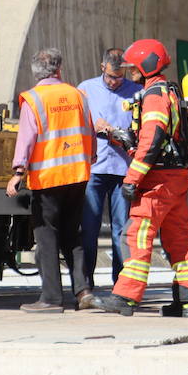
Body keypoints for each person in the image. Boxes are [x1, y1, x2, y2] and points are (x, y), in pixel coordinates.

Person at [91, 39, 188, 317]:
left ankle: (126, 297)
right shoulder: (169, 91)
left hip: (158, 178)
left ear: (147, 65)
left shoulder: (153, 94)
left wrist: (132, 179)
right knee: (178, 237)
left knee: (136, 234)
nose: (131, 72)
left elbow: (152, 139)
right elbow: (159, 138)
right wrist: (125, 140)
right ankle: (187, 300)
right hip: (176, 175)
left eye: (134, 67)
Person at [6, 48, 94, 313]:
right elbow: (89, 130)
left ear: (36, 73)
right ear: (59, 70)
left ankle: (51, 299)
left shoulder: (33, 99)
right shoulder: (78, 95)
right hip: (78, 175)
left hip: (48, 178)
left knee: (46, 237)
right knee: (73, 235)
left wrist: (18, 173)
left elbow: (27, 139)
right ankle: (83, 291)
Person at [77, 47, 141, 293]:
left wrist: (121, 134)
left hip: (124, 169)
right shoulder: (86, 88)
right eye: (110, 77)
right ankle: (86, 284)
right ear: (102, 67)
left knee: (121, 230)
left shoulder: (136, 92)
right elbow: (76, 120)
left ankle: (121, 284)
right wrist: (95, 125)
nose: (115, 82)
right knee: (89, 228)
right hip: (94, 168)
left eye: (119, 77)